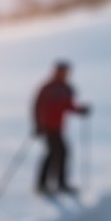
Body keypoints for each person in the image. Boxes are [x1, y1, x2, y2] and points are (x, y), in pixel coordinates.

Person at [33, 60, 91, 196]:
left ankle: (58, 184)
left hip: (58, 126)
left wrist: (81, 110)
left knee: (60, 153)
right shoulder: (48, 87)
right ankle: (45, 185)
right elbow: (37, 106)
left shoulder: (66, 88)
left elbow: (68, 106)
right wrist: (38, 125)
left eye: (66, 72)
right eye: (62, 71)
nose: (64, 74)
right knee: (55, 152)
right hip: (47, 126)